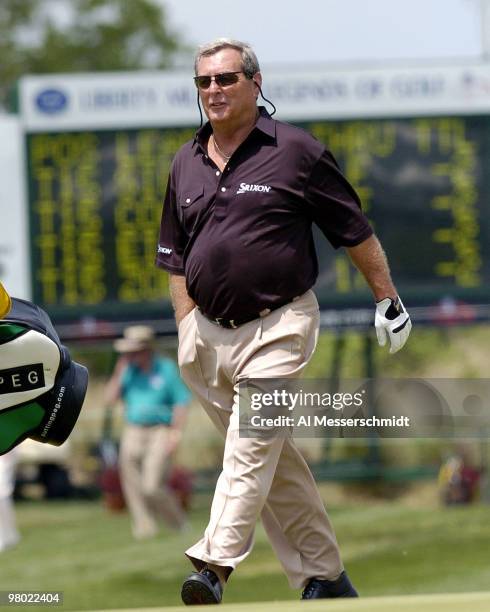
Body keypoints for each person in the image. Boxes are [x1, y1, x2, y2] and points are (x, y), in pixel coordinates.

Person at [156, 38, 412, 605]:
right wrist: (186, 324)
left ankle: (213, 566)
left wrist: (387, 298)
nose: (214, 91)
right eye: (204, 82)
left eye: (225, 79)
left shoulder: (296, 150)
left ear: (255, 81)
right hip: (207, 336)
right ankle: (326, 578)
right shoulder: (185, 161)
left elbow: (354, 231)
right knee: (272, 459)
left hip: (279, 325)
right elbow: (173, 256)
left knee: (249, 447)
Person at [105, 325, 191, 539]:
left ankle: (178, 523)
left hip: (159, 430)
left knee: (152, 485)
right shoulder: (127, 371)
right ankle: (144, 527)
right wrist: (118, 372)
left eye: (134, 351)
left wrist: (175, 433)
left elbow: (181, 401)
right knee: (131, 482)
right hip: (133, 429)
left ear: (146, 349)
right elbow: (110, 399)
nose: (130, 355)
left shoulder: (166, 369)